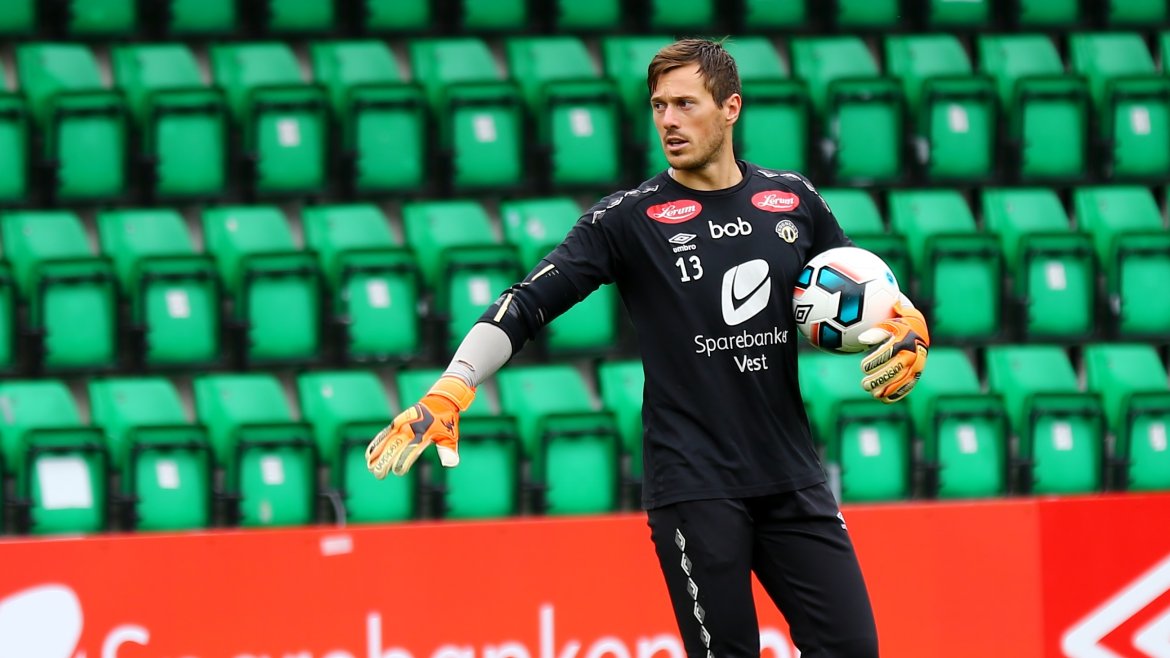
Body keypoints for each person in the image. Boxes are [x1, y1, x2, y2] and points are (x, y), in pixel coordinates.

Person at [366, 38, 929, 658]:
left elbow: (865, 288)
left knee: (854, 648)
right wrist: (453, 386)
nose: (668, 120)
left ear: (731, 107)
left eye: (686, 104)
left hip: (790, 474)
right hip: (695, 484)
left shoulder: (793, 199)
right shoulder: (626, 219)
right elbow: (525, 303)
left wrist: (908, 326)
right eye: (659, 105)